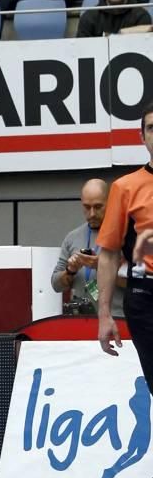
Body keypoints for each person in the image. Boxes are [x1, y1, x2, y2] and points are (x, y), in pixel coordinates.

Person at [97, 104, 153, 385]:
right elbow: (108, 254)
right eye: (151, 128)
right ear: (142, 136)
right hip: (146, 298)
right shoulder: (125, 187)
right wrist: (104, 314)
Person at [52, 180, 124, 317]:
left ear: (111, 202)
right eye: (86, 207)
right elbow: (56, 285)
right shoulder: (72, 237)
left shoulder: (125, 235)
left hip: (117, 320)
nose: (91, 214)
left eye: (98, 207)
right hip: (80, 321)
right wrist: (70, 270)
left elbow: (137, 283)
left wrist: (102, 266)